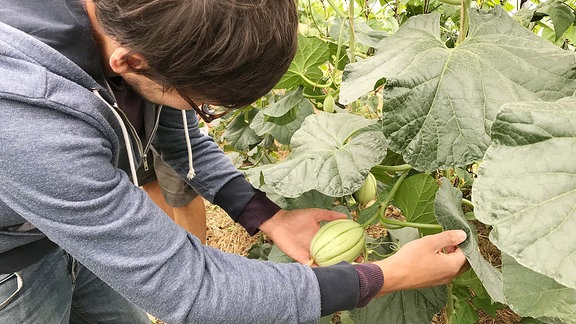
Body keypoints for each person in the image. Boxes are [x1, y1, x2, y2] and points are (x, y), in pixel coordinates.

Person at [0, 1, 469, 323]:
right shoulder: (27, 117)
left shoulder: (145, 21)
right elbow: (191, 290)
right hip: (13, 275)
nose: (202, 117)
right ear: (130, 62)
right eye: (204, 105)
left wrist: (269, 216)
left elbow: (175, 134)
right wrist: (385, 276)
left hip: (66, 236)